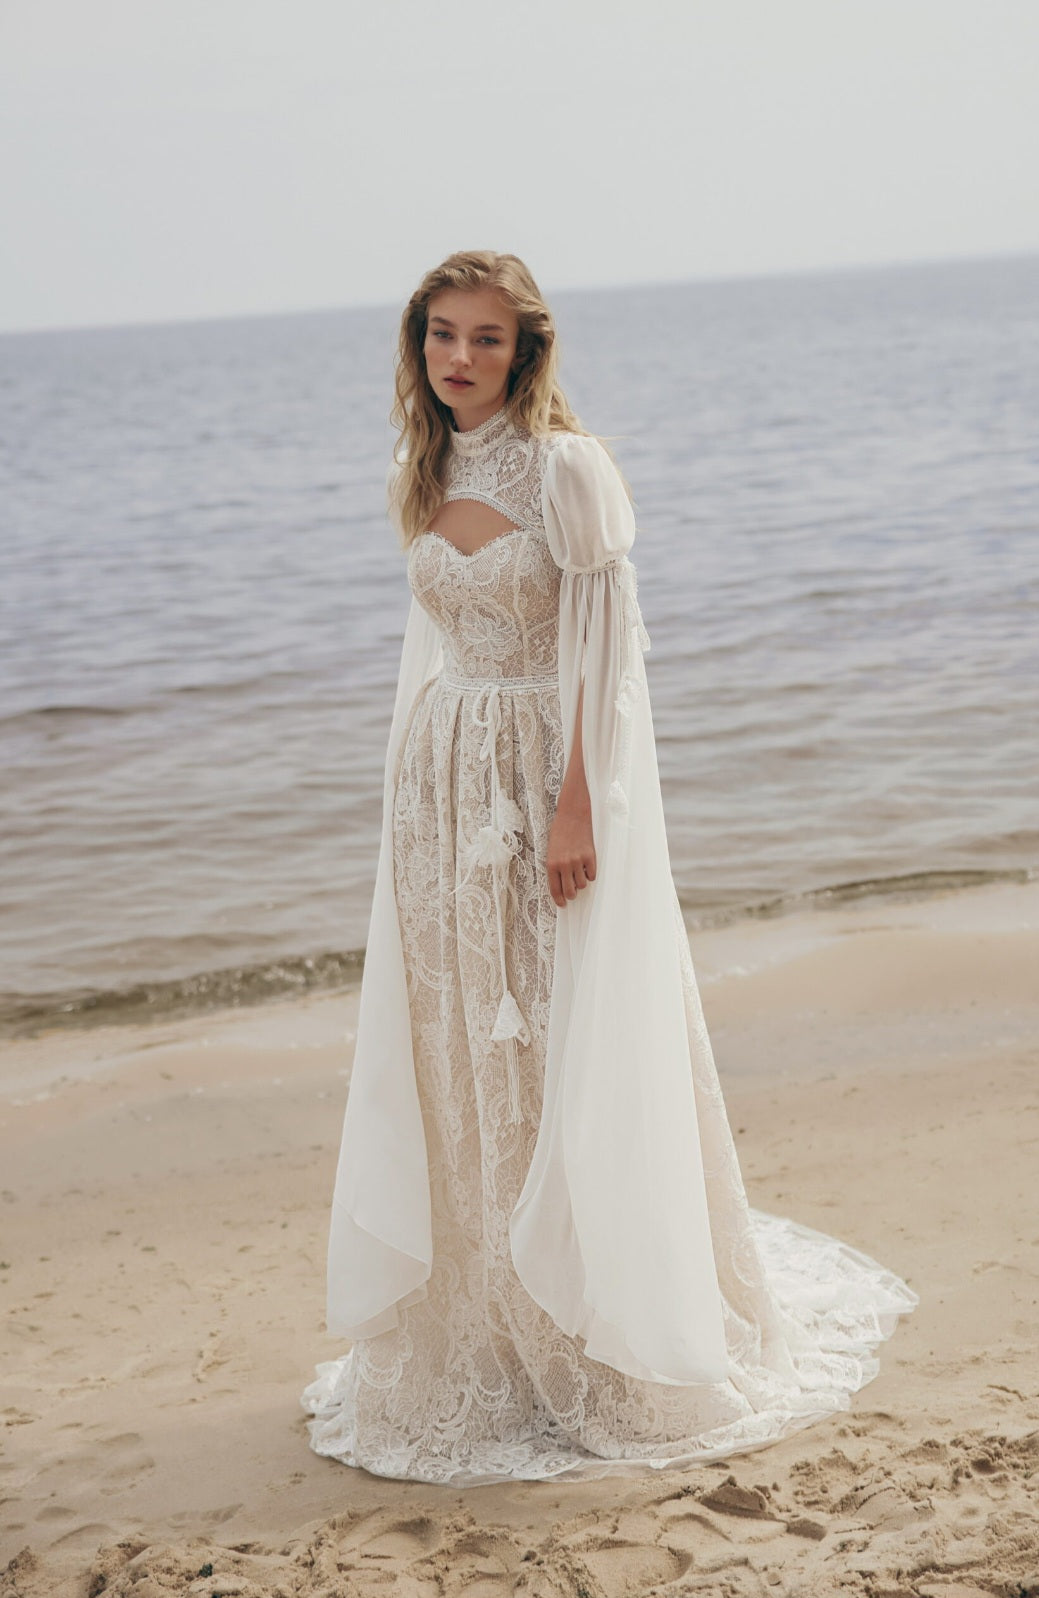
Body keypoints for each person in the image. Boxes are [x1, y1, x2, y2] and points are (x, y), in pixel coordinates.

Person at [300, 249, 917, 1486]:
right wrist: (406, 804)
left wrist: (582, 802)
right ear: (415, 346)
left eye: (486, 338)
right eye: (441, 335)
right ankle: (486, 1311)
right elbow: (429, 651)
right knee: (465, 1051)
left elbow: (608, 649)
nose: (461, 358)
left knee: (555, 1033)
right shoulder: (415, 471)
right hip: (440, 786)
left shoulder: (567, 468)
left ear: (525, 350)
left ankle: (592, 1317)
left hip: (544, 776)